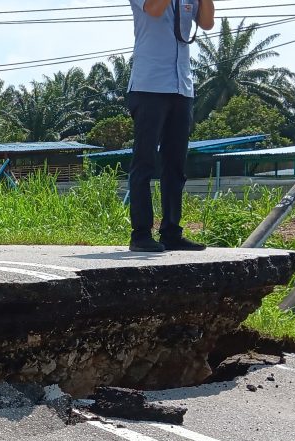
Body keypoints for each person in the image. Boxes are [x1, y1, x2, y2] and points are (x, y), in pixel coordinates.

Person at [126, 0, 215, 252]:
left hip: (182, 87)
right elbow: (154, 10)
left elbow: (206, 23)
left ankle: (171, 232)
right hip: (149, 85)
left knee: (175, 164)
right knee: (144, 162)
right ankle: (141, 234)